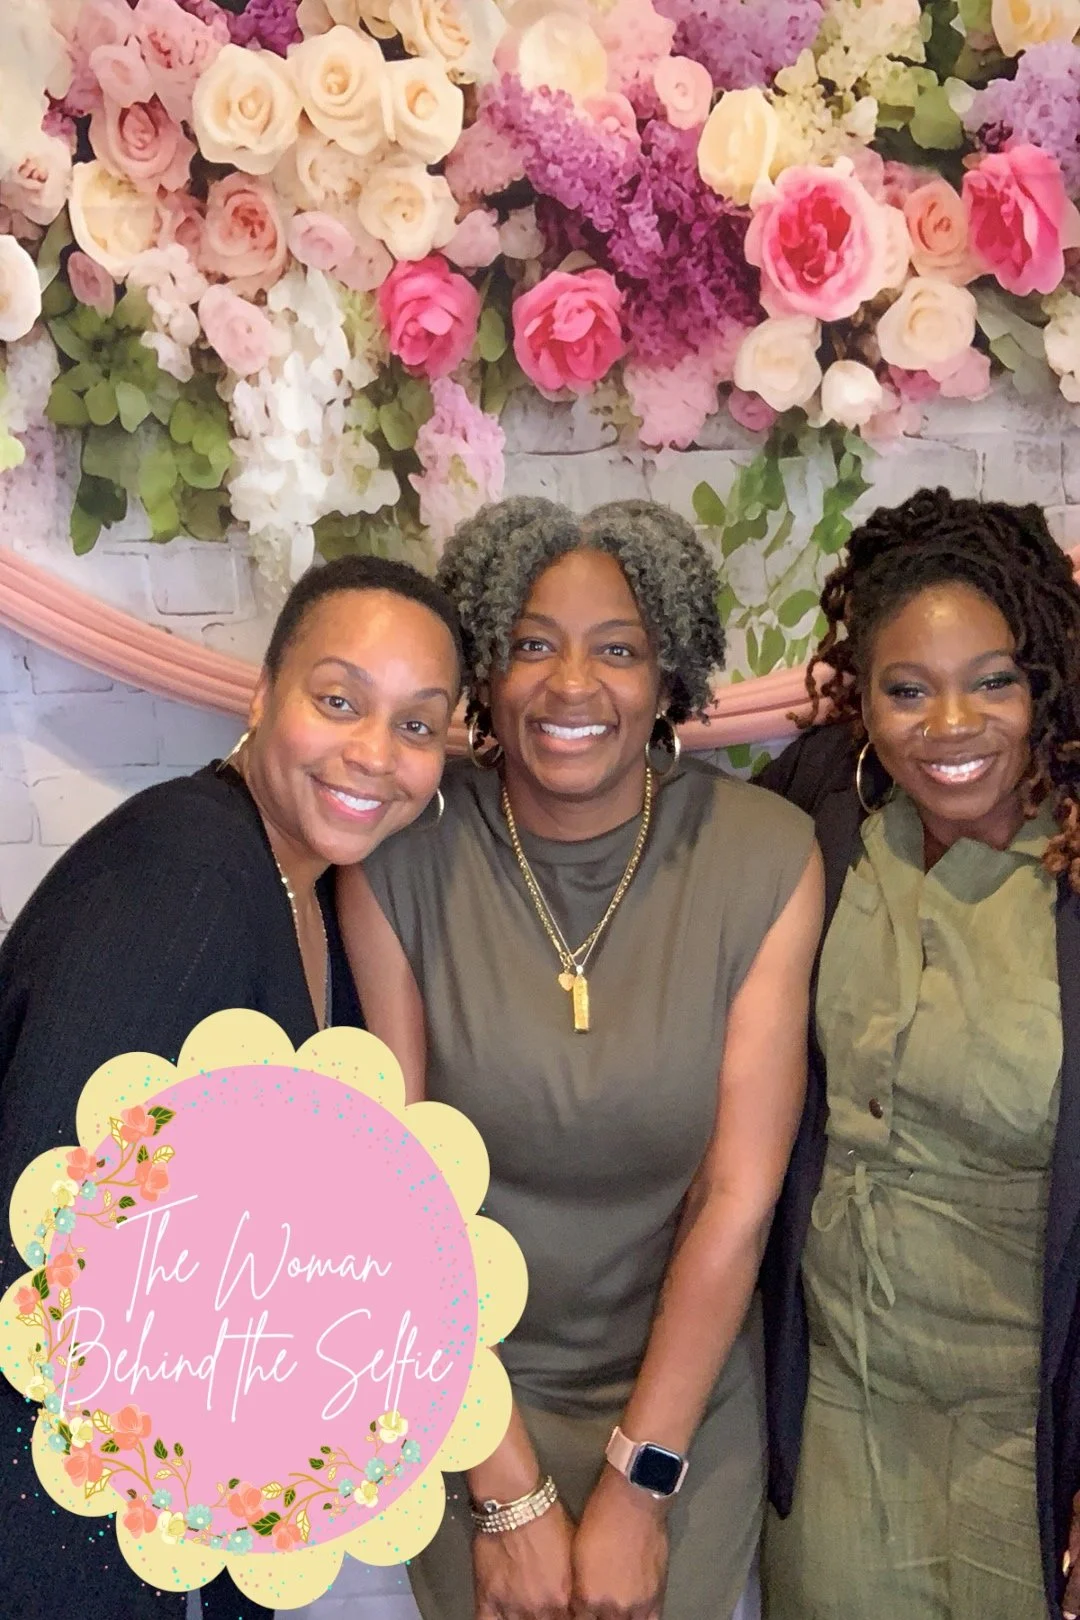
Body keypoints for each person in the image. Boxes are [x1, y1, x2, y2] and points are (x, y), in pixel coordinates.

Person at [337, 495, 823, 1620]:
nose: (571, 685)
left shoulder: (762, 855)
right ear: (483, 672)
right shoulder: (403, 853)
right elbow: (396, 1194)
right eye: (530, 646)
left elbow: (737, 1202)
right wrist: (503, 1491)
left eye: (619, 650)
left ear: (670, 678)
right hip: (463, 1393)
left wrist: (639, 1490)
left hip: (679, 1404)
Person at [0, 554, 463, 1620]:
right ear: (262, 695)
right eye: (339, 700)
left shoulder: (305, 884)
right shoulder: (188, 875)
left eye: (417, 725)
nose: (374, 755)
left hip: (148, 1495)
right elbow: (55, 1221)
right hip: (59, 1506)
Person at [757, 487, 1080, 1620]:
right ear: (863, 696)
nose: (950, 726)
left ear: (1042, 681)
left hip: (1030, 1430)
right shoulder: (823, 806)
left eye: (992, 680)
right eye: (908, 689)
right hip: (843, 1406)